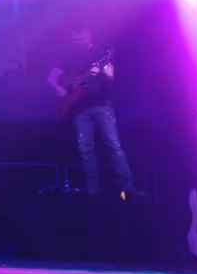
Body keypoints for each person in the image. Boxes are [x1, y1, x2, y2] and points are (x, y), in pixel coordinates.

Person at [48, 25, 140, 198]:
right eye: (76, 39)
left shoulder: (100, 54)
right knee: (85, 149)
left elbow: (112, 79)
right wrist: (59, 88)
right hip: (79, 109)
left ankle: (127, 188)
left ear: (90, 35)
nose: (79, 42)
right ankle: (92, 192)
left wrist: (109, 75)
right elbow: (51, 77)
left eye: (82, 38)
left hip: (101, 105)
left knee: (113, 144)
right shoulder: (69, 57)